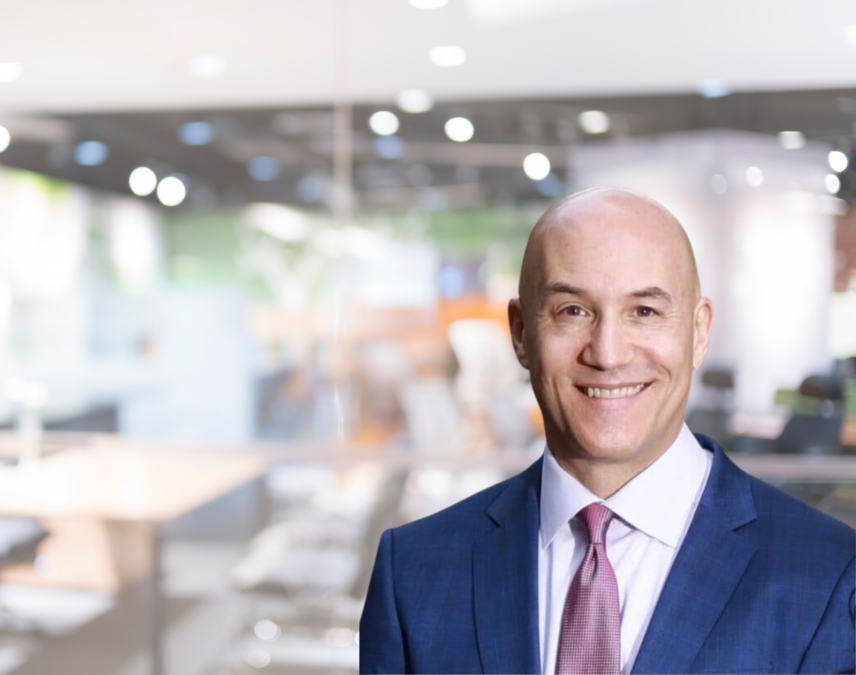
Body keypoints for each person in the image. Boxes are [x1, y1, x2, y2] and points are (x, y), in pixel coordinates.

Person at [359, 187, 856, 674]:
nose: (608, 353)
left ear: (699, 333)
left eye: (645, 311)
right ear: (521, 334)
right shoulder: (415, 573)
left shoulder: (830, 575)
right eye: (572, 311)